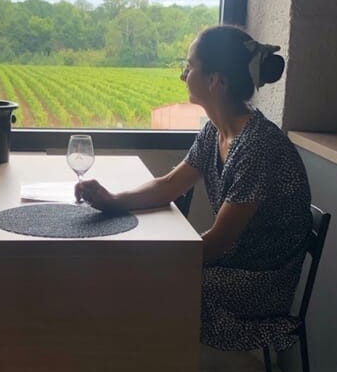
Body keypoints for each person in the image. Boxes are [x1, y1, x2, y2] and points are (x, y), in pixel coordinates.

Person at [74, 24, 312, 351]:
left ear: (215, 81)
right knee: (136, 280)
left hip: (259, 283)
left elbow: (217, 242)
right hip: (231, 266)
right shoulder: (216, 132)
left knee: (148, 284)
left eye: (189, 67)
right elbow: (169, 186)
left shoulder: (258, 148)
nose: (183, 76)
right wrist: (112, 201)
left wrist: (150, 260)